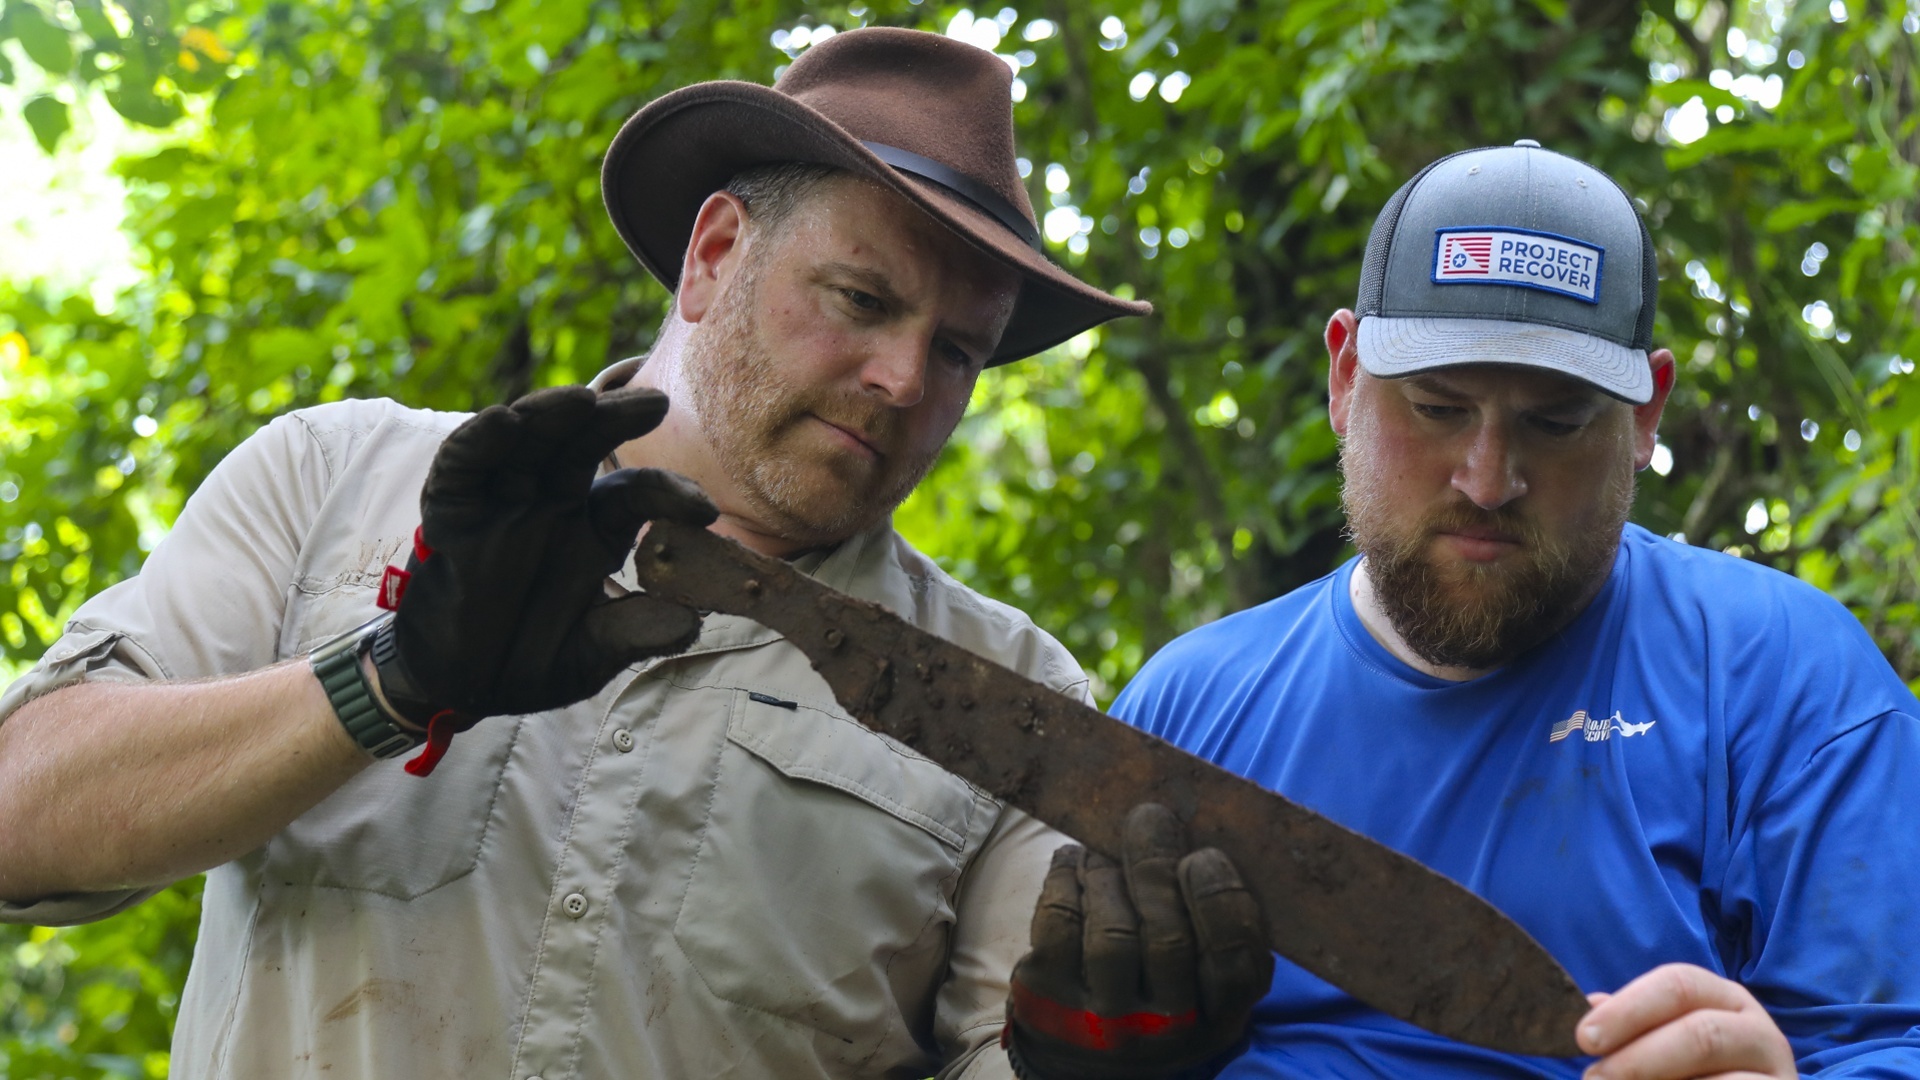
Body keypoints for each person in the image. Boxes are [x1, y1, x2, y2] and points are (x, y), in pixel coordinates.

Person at [0, 28, 1271, 1080]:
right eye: (865, 301)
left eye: (956, 352)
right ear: (715, 255)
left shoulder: (1012, 702)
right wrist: (384, 680)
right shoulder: (338, 478)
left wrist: (1081, 1060)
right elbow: (23, 820)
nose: (901, 379)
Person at [1110, 141, 1920, 1078]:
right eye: (1437, 407)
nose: (1488, 480)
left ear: (1646, 413)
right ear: (1343, 378)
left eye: (1556, 421)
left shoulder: (1787, 682)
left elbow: (1888, 1043)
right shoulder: (1191, 711)